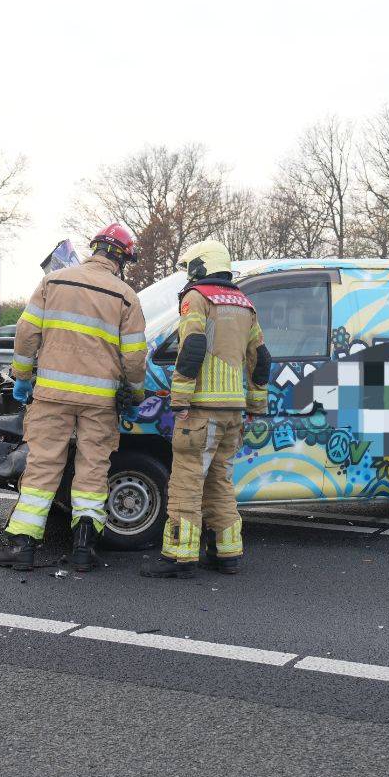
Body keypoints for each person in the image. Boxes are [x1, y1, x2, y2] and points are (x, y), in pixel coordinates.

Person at [0, 223, 147, 572]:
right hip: (100, 401)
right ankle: (83, 549)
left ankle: (22, 546)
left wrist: (22, 377)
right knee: (93, 469)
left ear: (93, 248)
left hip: (51, 395)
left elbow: (26, 331)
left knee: (44, 465)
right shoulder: (126, 296)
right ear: (122, 259)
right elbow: (135, 355)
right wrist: (135, 393)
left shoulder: (54, 282)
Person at [141, 240, 270, 579]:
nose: (188, 275)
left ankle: (179, 559)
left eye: (190, 268)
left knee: (186, 481)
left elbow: (193, 345)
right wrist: (256, 403)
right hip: (233, 412)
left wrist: (180, 399)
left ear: (201, 265)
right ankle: (227, 555)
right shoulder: (245, 303)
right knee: (220, 481)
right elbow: (261, 359)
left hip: (201, 410)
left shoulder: (196, 298)